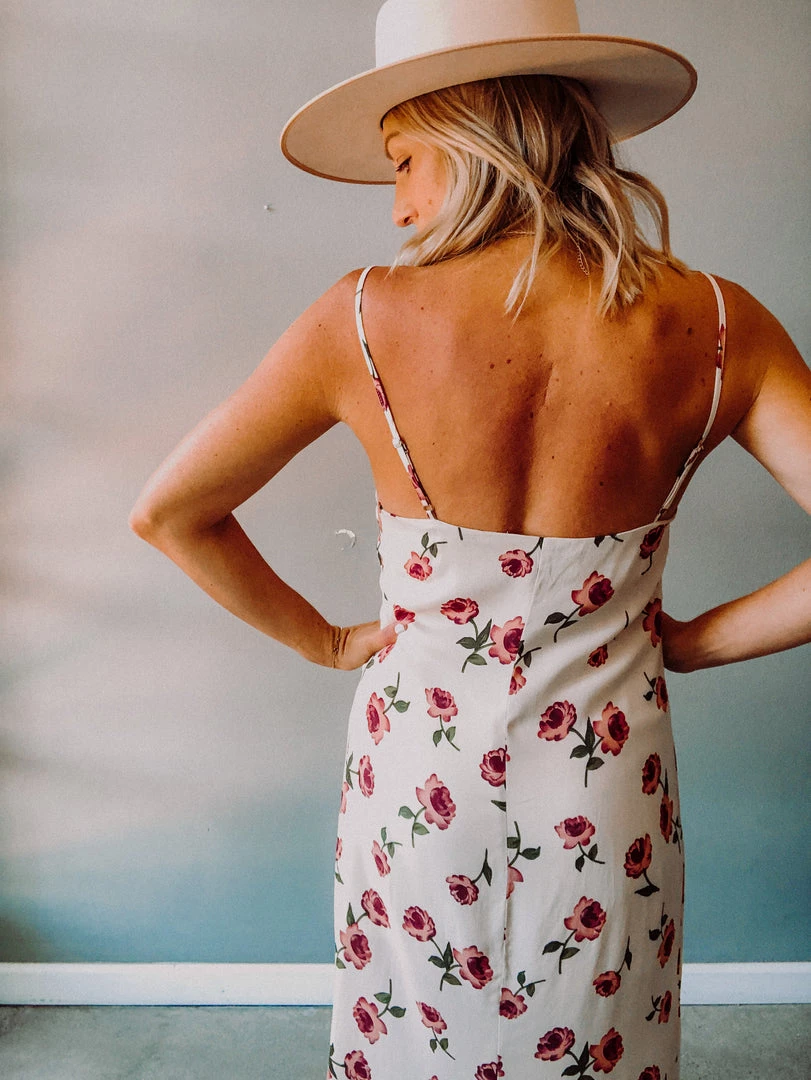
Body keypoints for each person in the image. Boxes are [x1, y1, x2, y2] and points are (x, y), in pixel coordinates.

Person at [130, 1, 810, 1076]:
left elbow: (167, 510)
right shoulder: (721, 326)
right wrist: (691, 641)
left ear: (474, 132)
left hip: (418, 778)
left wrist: (324, 642)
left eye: (403, 161)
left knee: (419, 1041)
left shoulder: (360, 320)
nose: (398, 204)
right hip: (607, 781)